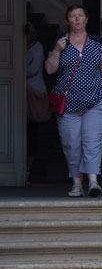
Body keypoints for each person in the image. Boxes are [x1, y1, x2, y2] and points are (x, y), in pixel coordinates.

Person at [45, 4, 102, 197]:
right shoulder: (60, 42)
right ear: (67, 21)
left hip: (95, 101)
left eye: (80, 15)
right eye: (73, 16)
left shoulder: (97, 42)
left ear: (86, 19)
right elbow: (49, 69)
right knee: (71, 144)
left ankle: (93, 181)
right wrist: (57, 51)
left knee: (92, 141)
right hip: (68, 104)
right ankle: (76, 184)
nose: (77, 19)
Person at [25, 22, 49, 182]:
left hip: (34, 93)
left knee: (33, 132)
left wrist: (18, 67)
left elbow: (33, 70)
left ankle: (28, 170)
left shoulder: (38, 47)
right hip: (21, 92)